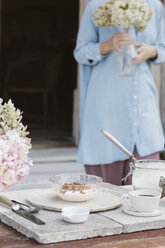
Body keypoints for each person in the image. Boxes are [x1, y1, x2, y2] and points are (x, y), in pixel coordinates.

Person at [73, 0, 165, 185]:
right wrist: (106, 45)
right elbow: (80, 52)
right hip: (106, 107)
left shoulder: (154, 6)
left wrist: (152, 51)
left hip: (143, 107)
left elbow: (162, 47)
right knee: (106, 195)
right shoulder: (96, 6)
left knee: (146, 189)